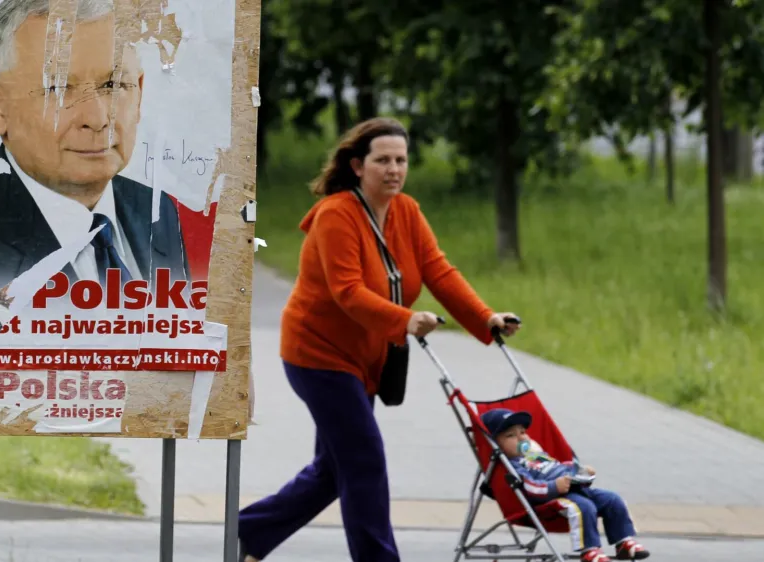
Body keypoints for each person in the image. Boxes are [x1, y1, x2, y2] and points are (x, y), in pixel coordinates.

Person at [236, 117, 522, 562]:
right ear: (357, 166)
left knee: (335, 470)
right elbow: (348, 291)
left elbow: (439, 271)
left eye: (401, 160)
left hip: (365, 359)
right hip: (317, 356)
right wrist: (405, 320)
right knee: (364, 458)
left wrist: (486, 318)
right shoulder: (336, 215)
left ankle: (246, 535)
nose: (394, 169)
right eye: (383, 160)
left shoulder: (406, 211)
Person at [0, 0, 190, 362]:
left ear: (139, 92)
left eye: (113, 84)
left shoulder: (157, 211)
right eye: (58, 88)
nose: (97, 118)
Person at [482, 408, 651, 562]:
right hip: (551, 499)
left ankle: (623, 542)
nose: (521, 438)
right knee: (583, 507)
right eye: (510, 435)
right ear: (497, 445)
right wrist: (553, 486)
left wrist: (580, 471)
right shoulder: (512, 466)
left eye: (523, 432)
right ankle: (590, 550)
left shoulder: (535, 455)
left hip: (574, 486)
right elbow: (530, 487)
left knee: (612, 499)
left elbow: (558, 466)